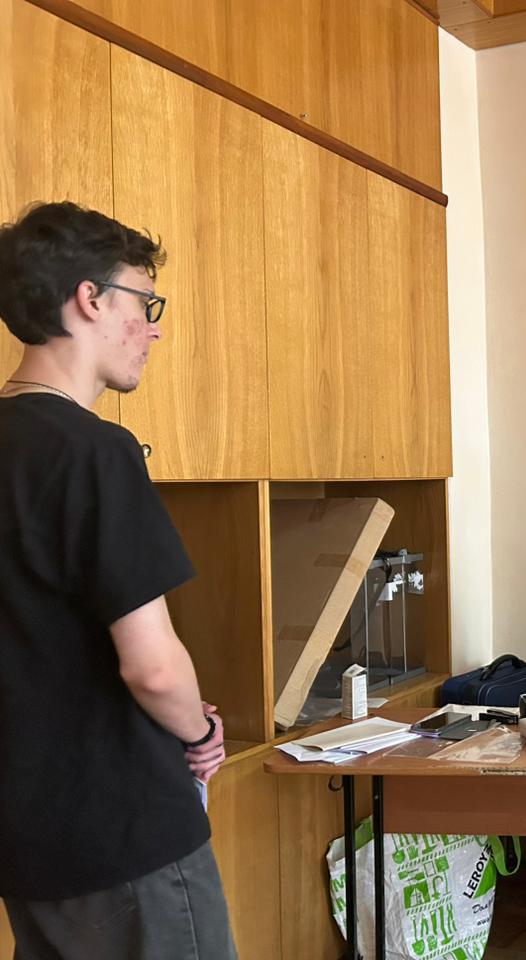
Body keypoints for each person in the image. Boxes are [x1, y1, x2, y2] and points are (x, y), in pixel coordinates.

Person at [0, 202, 237, 959]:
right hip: (121, 828)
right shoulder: (95, 450)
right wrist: (200, 733)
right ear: (90, 299)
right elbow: (152, 666)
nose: (153, 329)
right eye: (145, 302)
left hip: (24, 836)